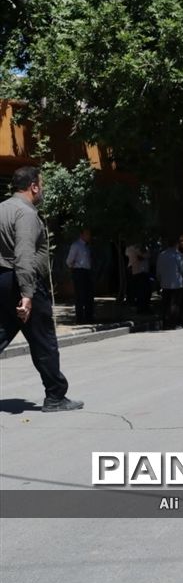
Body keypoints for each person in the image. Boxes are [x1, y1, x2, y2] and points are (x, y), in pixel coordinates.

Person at [0, 166, 82, 412]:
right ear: (33, 186)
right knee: (44, 340)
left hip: (3, 279)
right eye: (41, 184)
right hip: (23, 282)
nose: (42, 189)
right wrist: (27, 295)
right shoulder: (25, 213)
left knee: (3, 331)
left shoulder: (2, 208)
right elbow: (24, 255)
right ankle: (56, 396)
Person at [155, 235, 183, 330]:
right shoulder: (178, 255)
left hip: (165, 283)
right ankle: (174, 323)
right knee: (175, 304)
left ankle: (165, 323)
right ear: (176, 245)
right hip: (176, 283)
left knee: (165, 304)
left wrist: (159, 279)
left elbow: (158, 270)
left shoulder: (162, 254)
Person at [65, 228, 95, 323]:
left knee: (89, 296)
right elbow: (69, 260)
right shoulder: (76, 245)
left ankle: (88, 317)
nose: (89, 236)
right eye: (87, 234)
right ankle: (80, 318)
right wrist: (73, 267)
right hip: (79, 271)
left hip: (87, 272)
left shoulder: (87, 247)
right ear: (82, 235)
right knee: (80, 296)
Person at [124, 240, 152, 314]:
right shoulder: (135, 247)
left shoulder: (141, 247)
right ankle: (140, 308)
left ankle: (141, 307)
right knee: (140, 291)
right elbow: (145, 255)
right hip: (137, 271)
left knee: (142, 291)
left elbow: (147, 255)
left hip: (140, 270)